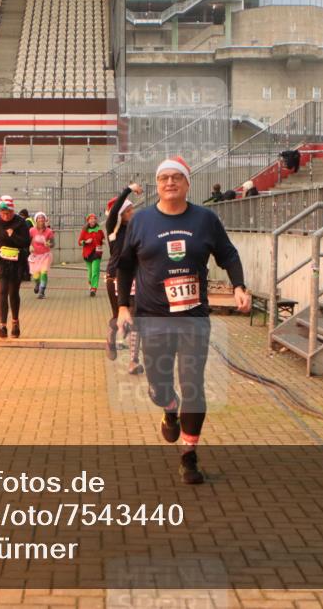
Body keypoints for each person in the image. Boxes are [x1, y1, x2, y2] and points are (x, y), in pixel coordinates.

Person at [116, 156, 250, 484]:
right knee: (158, 387)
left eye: (177, 178)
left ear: (188, 184)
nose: (170, 183)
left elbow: (228, 254)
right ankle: (169, 407)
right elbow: (124, 265)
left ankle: (189, 455)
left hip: (193, 318)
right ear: (157, 185)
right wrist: (122, 308)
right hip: (153, 317)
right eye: (164, 178)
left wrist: (238, 285)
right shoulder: (141, 221)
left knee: (194, 385)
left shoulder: (205, 219)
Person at [104, 183, 145, 374]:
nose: (133, 213)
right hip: (115, 277)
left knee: (136, 318)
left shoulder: (136, 229)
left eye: (133, 209)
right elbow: (113, 212)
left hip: (135, 277)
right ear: (120, 213)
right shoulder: (113, 229)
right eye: (129, 210)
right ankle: (111, 336)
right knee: (118, 318)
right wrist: (128, 189)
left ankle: (134, 361)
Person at [0, 196, 31, 338]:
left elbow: (26, 242)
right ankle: (2, 326)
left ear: (13, 211)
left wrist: (13, 235)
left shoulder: (20, 222)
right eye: (3, 213)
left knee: (13, 292)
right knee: (2, 290)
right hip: (0, 259)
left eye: (8, 213)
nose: (6, 216)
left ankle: (15, 322)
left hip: (16, 260)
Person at [28, 211, 55, 299]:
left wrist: (49, 244)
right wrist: (30, 246)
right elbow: (27, 241)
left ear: (45, 220)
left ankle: (42, 291)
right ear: (36, 220)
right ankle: (37, 283)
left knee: (44, 272)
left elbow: (53, 243)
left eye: (42, 218)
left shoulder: (49, 231)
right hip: (35, 256)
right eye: (39, 218)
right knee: (35, 275)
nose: (41, 220)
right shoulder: (32, 230)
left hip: (45, 255)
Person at [79, 212, 105, 297]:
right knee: (90, 272)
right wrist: (86, 242)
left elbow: (102, 237)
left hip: (97, 253)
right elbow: (79, 242)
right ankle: (90, 284)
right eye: (91, 219)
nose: (93, 220)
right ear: (88, 221)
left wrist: (103, 241)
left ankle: (94, 288)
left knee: (95, 271)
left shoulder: (99, 229)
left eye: (94, 218)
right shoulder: (84, 230)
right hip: (87, 253)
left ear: (96, 220)